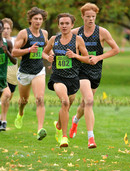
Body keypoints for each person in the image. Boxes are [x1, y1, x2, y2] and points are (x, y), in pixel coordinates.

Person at [69, 3, 119, 148]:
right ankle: (91, 138)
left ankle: (75, 120)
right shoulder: (75, 32)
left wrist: (98, 58)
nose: (91, 19)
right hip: (81, 71)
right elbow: (60, 42)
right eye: (88, 17)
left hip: (96, 71)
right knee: (89, 100)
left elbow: (115, 50)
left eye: (93, 17)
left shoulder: (102, 32)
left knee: (85, 104)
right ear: (82, 17)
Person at [44, 13, 90, 148]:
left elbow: (87, 58)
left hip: (73, 79)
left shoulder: (78, 40)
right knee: (64, 102)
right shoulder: (54, 39)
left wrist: (74, 55)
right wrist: (48, 58)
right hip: (58, 78)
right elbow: (44, 52)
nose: (64, 26)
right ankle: (64, 137)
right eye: (61, 23)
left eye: (67, 23)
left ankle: (58, 125)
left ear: (72, 25)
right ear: (58, 25)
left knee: (67, 105)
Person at [12, 7, 52, 140]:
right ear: (30, 19)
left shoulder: (44, 33)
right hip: (24, 72)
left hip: (38, 70)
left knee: (39, 98)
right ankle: (21, 113)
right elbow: (14, 52)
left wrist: (50, 57)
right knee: (24, 100)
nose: (38, 21)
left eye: (40, 19)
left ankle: (40, 129)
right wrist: (29, 49)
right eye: (36, 19)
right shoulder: (24, 33)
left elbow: (46, 49)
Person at [0, 18, 18, 131]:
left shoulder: (10, 42)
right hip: (4, 74)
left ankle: (3, 120)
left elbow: (15, 59)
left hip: (11, 74)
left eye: (7, 28)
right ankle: (3, 121)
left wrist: (7, 52)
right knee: (5, 95)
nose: (5, 30)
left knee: (7, 98)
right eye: (4, 28)